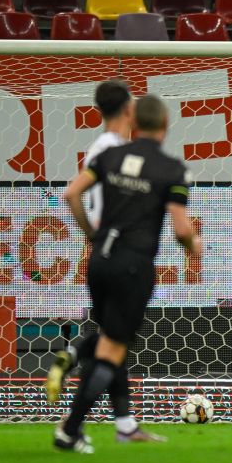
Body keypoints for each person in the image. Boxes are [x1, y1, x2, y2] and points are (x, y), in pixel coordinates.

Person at [57, 94, 202, 453]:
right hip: (133, 265)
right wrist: (194, 247)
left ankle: (111, 417)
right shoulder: (172, 169)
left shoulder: (109, 156)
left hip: (99, 261)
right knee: (112, 351)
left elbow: (71, 193)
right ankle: (70, 430)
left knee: (108, 339)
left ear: (134, 122)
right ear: (166, 124)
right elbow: (181, 228)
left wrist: (92, 234)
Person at [45, 80, 134, 410]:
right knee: (114, 340)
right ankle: (75, 417)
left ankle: (124, 421)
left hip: (99, 252)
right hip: (119, 251)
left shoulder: (98, 149)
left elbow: (74, 194)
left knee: (114, 336)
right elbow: (73, 193)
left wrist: (90, 235)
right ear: (127, 108)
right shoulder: (116, 151)